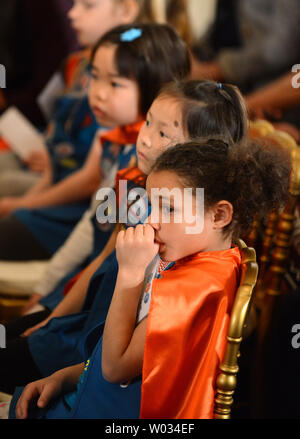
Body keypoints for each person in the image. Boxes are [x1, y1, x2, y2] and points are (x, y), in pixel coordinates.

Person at [11, 137, 290, 419]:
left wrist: (130, 274)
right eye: (152, 206)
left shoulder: (191, 290)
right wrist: (65, 377)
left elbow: (115, 368)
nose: (151, 221)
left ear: (219, 214)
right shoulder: (197, 258)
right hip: (92, 394)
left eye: (168, 208)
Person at [0, 78, 248, 395]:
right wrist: (52, 317)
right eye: (147, 123)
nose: (143, 139)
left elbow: (130, 356)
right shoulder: (130, 181)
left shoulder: (190, 234)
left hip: (102, 346)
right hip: (80, 322)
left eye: (162, 134)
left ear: (199, 154)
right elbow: (102, 258)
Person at [0, 0, 170, 260]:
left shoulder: (133, 136)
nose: (72, 12)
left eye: (88, 6)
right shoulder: (76, 63)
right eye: (97, 78)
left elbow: (98, 210)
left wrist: (23, 205)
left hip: (76, 210)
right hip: (62, 185)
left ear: (126, 9)